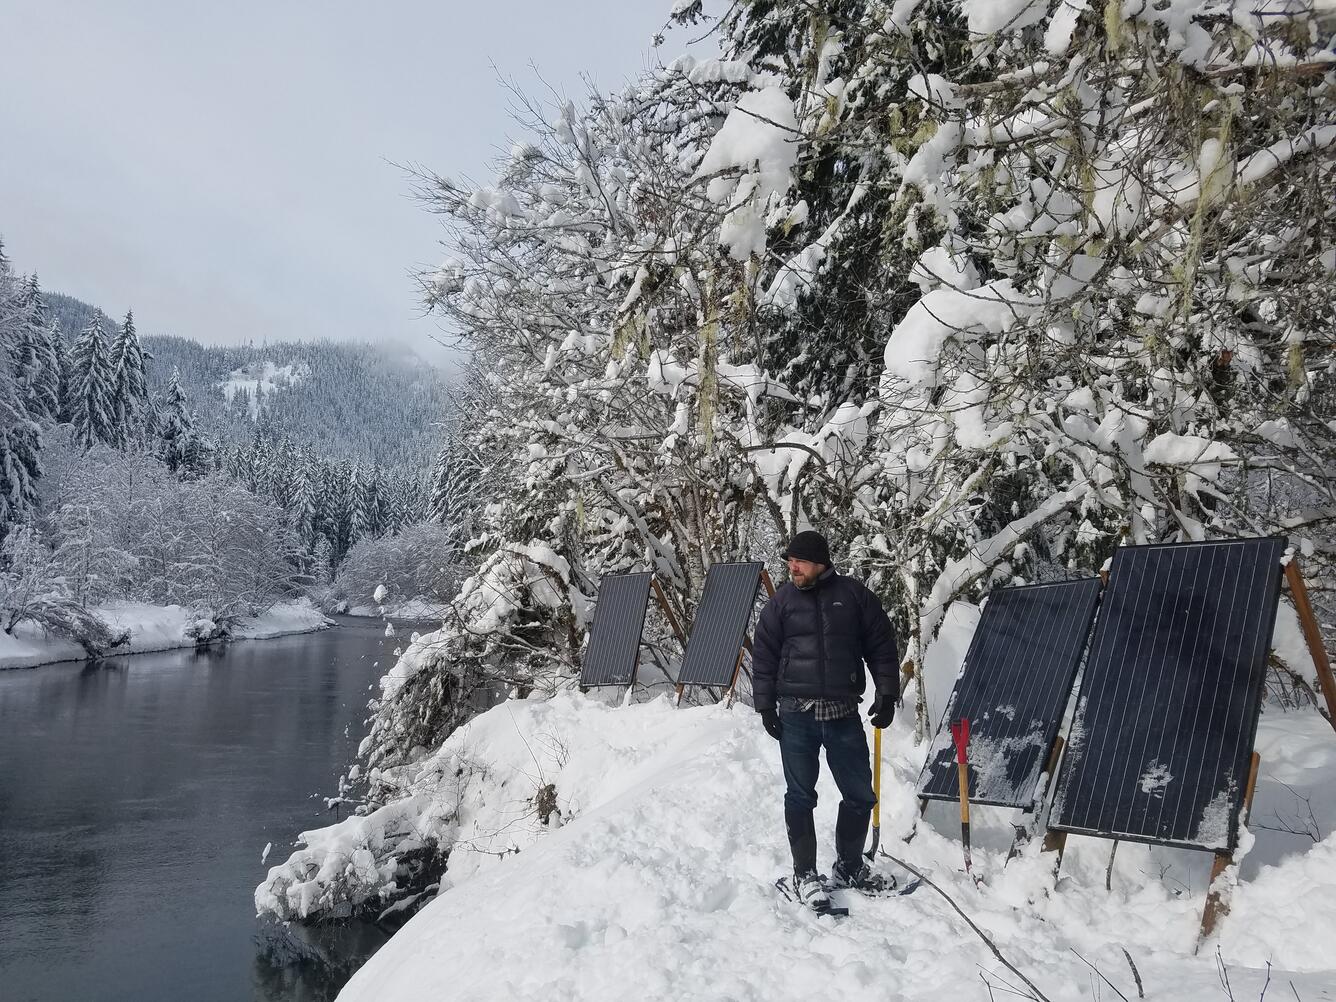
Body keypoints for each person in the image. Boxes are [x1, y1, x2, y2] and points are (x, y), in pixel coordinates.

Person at [752, 530, 899, 909]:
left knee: (860, 795)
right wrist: (765, 706)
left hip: (842, 714)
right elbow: (764, 655)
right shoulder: (782, 603)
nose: (792, 568)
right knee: (800, 795)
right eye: (789, 561)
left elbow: (881, 644)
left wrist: (887, 692)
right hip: (796, 715)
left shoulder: (853, 597)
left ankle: (850, 866)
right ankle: (805, 875)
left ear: (820, 562)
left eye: (798, 561)